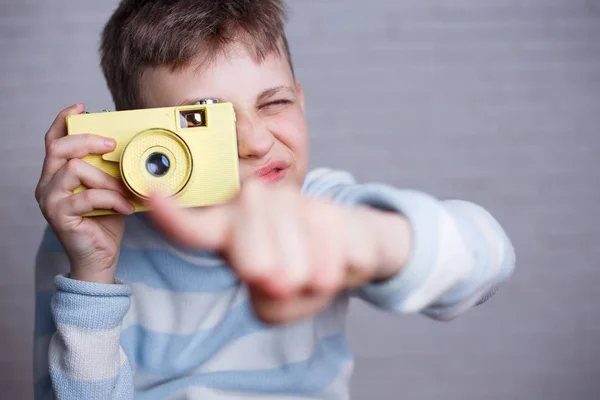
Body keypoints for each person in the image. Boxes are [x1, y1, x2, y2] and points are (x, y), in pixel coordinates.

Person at [32, 0, 516, 399]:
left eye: (274, 103)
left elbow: (487, 261)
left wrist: (373, 238)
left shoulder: (320, 206)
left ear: (301, 100)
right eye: (204, 119)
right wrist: (93, 278)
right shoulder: (92, 239)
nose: (256, 141)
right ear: (137, 135)